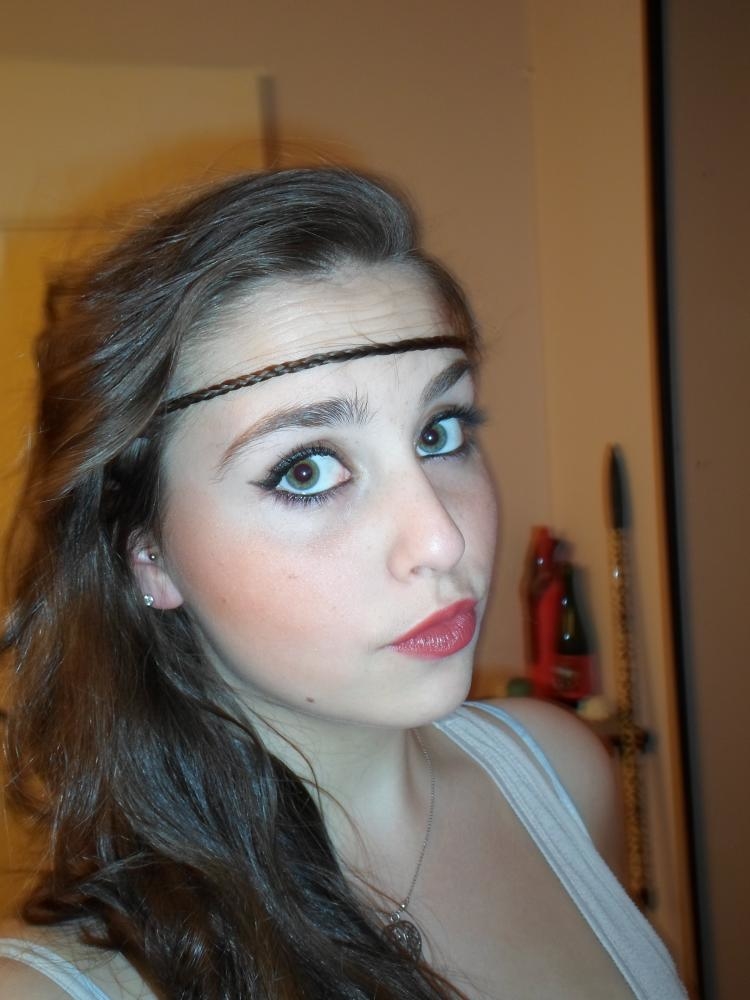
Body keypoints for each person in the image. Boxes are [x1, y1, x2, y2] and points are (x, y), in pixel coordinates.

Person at [0, 168, 685, 999]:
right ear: (150, 554)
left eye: (439, 432)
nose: (441, 537)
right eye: (307, 469)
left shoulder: (563, 774)